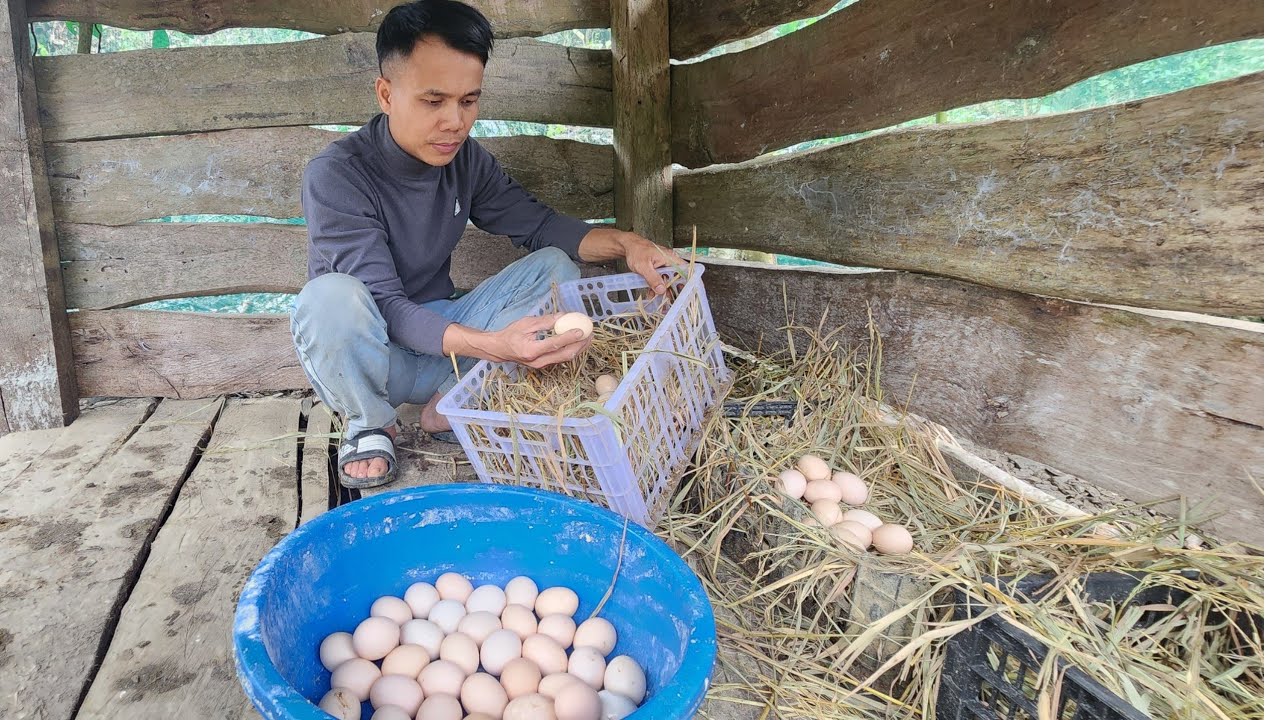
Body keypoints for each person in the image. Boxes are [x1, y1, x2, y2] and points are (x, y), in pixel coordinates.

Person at [290, 0, 679, 489]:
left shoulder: (466, 161)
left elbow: (539, 225)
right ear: (386, 94)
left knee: (554, 266)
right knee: (329, 298)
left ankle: (450, 405)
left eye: (468, 101)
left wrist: (629, 243)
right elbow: (385, 304)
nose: (455, 121)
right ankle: (371, 420)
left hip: (445, 349)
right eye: (434, 102)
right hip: (374, 359)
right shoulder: (338, 175)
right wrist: (495, 346)